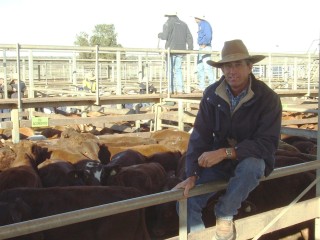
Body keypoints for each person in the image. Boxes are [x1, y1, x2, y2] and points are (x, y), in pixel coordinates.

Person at [173, 39, 282, 240]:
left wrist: (225, 152)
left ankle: (225, 213)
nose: (232, 71)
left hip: (250, 159)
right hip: (220, 162)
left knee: (252, 167)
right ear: (221, 69)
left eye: (238, 64)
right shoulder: (211, 95)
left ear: (250, 67)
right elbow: (200, 135)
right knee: (187, 200)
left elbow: (267, 143)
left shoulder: (268, 98)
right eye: (227, 65)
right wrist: (193, 174)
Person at [158, 12, 193, 94]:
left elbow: (165, 36)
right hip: (181, 50)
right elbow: (189, 37)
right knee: (178, 70)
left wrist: (159, 35)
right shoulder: (184, 24)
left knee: (169, 70)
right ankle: (180, 90)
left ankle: (170, 90)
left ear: (168, 16)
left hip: (171, 50)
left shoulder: (168, 23)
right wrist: (190, 48)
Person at [194, 15, 215, 91]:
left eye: (195, 17)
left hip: (204, 47)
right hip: (202, 47)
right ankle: (202, 86)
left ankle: (212, 86)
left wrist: (205, 43)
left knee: (206, 67)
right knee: (200, 67)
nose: (194, 19)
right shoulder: (203, 24)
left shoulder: (204, 24)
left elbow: (208, 35)